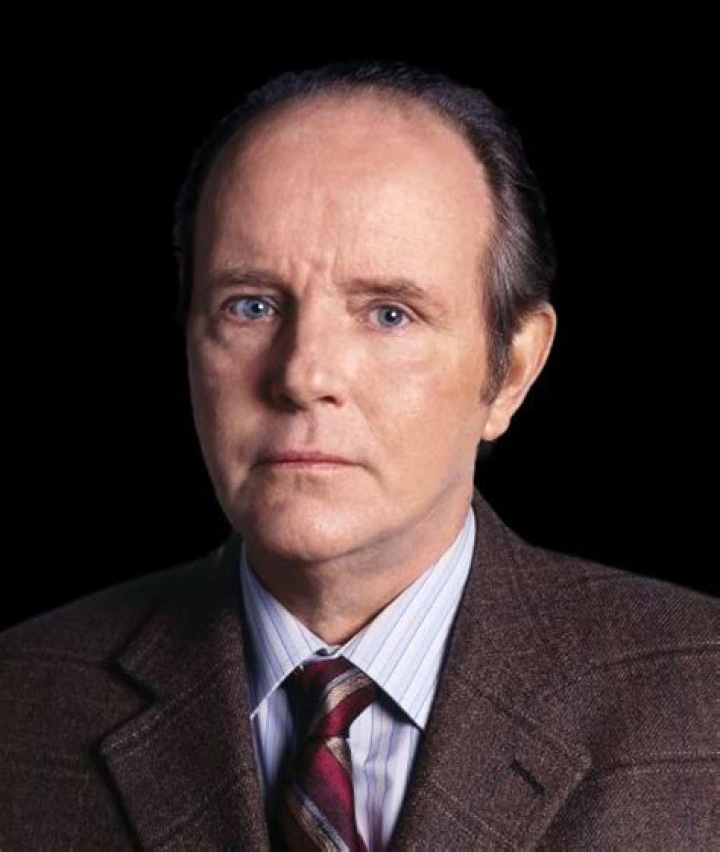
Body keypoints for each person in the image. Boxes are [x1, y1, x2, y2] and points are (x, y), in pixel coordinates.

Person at [1, 60, 717, 850]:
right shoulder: (21, 700)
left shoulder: (702, 698)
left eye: (388, 314)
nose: (303, 375)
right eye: (251, 305)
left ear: (511, 370)